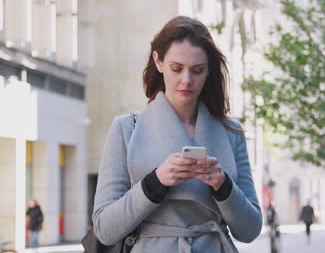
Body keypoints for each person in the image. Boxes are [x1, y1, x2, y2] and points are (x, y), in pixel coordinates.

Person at [92, 16, 262, 252]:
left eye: (197, 70)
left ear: (209, 71)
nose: (186, 80)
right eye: (176, 68)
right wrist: (155, 182)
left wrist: (223, 186)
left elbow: (250, 230)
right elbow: (104, 228)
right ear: (158, 62)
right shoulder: (126, 129)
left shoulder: (231, 132)